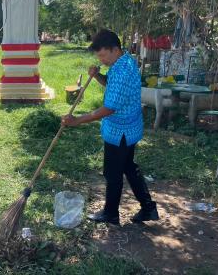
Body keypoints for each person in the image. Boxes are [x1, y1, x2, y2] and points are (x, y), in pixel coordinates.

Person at [61, 29, 158, 225]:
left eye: (103, 55)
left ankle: (111, 214)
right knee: (129, 167)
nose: (101, 59)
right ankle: (148, 208)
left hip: (121, 131)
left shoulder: (122, 70)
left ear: (115, 49)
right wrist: (98, 76)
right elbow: (112, 85)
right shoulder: (123, 61)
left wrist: (77, 120)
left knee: (113, 173)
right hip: (129, 128)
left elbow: (108, 109)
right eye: (99, 56)